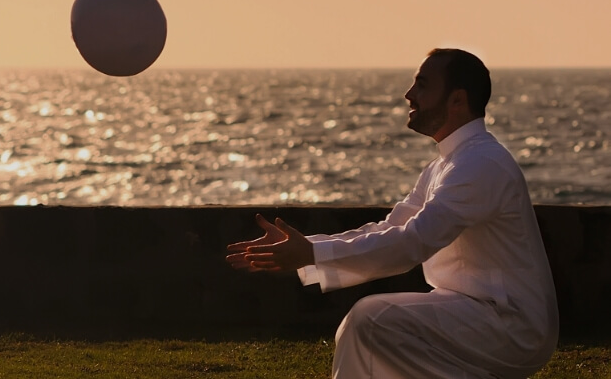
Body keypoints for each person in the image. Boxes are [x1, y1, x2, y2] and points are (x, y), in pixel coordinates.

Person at [226, 48, 558, 378]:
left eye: (422, 85)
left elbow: (412, 242)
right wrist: (307, 249)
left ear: (457, 100)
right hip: (474, 311)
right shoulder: (444, 165)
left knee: (372, 320)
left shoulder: (479, 163)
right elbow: (390, 229)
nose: (409, 94)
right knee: (370, 323)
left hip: (511, 324)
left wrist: (312, 253)